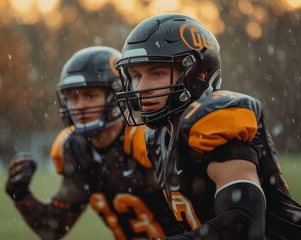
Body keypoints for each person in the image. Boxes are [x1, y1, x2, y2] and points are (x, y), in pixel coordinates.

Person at [115, 14, 301, 239]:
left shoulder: (214, 118)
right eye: (136, 75)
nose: (141, 88)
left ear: (200, 73)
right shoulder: (156, 138)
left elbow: (242, 224)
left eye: (157, 73)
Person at [5, 46, 183, 240]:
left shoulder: (148, 139)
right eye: (73, 97)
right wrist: (22, 196)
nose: (79, 106)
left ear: (118, 95)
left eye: (90, 95)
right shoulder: (77, 149)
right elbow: (53, 228)